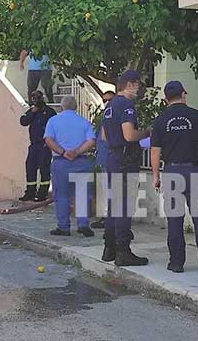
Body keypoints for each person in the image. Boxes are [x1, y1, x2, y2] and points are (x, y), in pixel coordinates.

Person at [151, 81, 198, 274]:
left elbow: (155, 151)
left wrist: (156, 176)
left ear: (165, 99)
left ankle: (176, 263)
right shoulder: (197, 116)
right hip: (194, 171)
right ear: (184, 94)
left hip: (171, 172)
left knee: (175, 220)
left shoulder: (160, 120)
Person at [101, 70, 150, 266]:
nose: (139, 88)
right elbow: (129, 135)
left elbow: (104, 136)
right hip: (125, 159)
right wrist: (146, 133)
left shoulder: (110, 105)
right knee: (124, 206)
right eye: (138, 84)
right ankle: (123, 251)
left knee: (114, 205)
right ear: (129, 84)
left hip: (113, 157)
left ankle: (109, 248)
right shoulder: (126, 105)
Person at [43, 96, 95, 237]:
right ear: (76, 107)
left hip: (61, 162)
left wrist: (63, 152)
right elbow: (91, 141)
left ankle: (63, 227)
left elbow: (49, 140)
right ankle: (83, 225)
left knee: (61, 195)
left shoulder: (53, 121)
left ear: (62, 107)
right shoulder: (84, 122)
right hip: (81, 161)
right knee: (83, 194)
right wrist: (77, 151)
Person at [19, 90, 57, 202]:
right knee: (30, 168)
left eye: (37, 98)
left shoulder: (49, 112)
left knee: (44, 170)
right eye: (33, 98)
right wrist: (32, 112)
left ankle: (42, 194)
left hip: (44, 145)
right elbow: (23, 121)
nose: (35, 100)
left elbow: (55, 126)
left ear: (42, 98)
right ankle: (30, 192)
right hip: (34, 145)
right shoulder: (32, 111)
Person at [91, 90, 116, 229]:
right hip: (103, 159)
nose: (106, 103)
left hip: (111, 158)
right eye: (104, 100)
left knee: (110, 190)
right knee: (105, 189)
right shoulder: (104, 118)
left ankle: (109, 218)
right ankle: (107, 216)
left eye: (109, 100)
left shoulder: (114, 117)